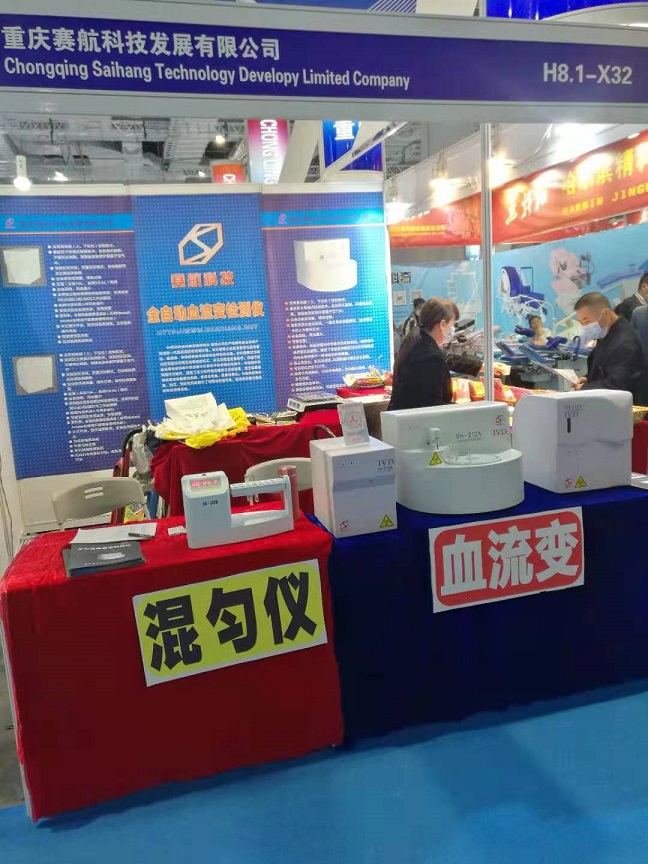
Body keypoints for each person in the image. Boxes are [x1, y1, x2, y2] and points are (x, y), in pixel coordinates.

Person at [573, 292, 646, 402]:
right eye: (581, 323)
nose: (585, 328)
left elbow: (617, 386)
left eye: (587, 322)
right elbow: (603, 367)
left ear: (606, 314)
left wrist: (584, 388)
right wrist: (588, 378)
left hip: (625, 406)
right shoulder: (605, 334)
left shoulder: (625, 343)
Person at [388, 297, 458, 410]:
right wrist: (467, 408)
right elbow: (432, 405)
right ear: (443, 324)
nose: (453, 329)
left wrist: (477, 366)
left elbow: (444, 355)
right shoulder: (430, 356)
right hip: (416, 418)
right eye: (452, 324)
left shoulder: (417, 335)